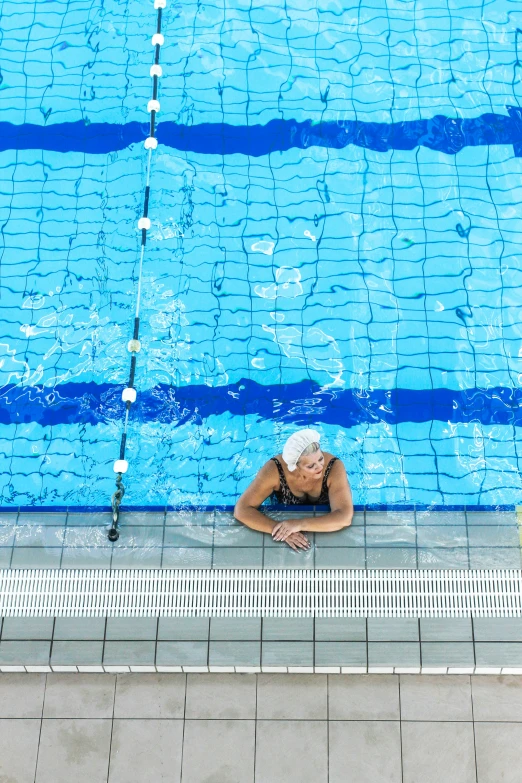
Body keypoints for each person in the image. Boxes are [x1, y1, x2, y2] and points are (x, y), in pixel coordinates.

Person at [234, 428, 353, 551]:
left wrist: (298, 524)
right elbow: (242, 509)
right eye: (311, 466)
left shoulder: (333, 467)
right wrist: (281, 530)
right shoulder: (274, 471)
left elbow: (344, 517)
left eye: (320, 458)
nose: (320, 466)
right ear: (295, 466)